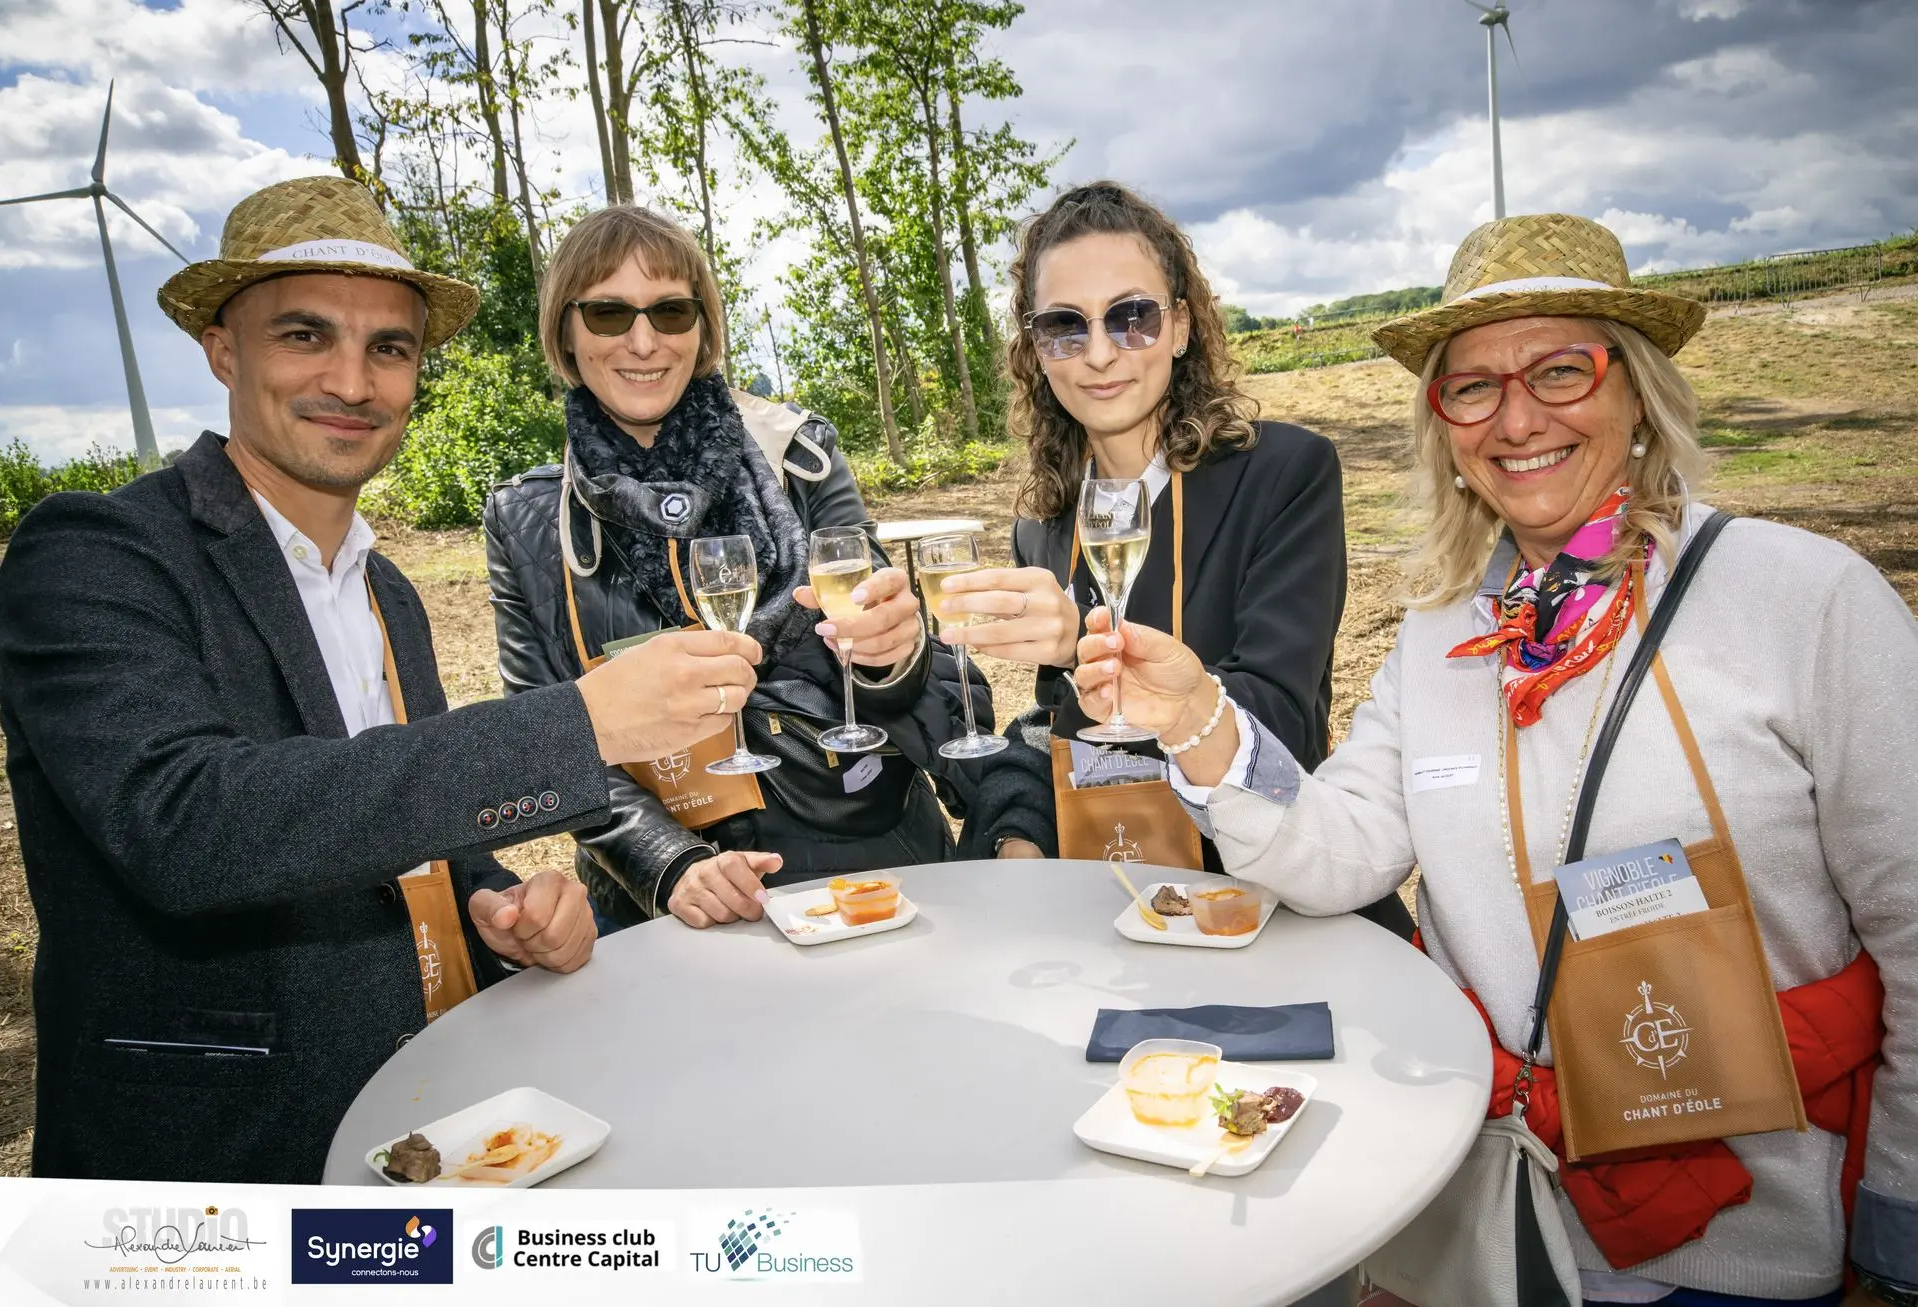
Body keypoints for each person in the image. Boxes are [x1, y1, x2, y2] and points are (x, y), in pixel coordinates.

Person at [1075, 213, 1916, 1305]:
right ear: (1445, 426)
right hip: (1502, 1228)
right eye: (1471, 387)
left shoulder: (1803, 600)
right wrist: (1196, 717)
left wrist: (1901, 1229)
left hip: (1754, 1244)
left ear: (1637, 391)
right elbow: (1338, 855)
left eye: (1563, 369)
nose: (1517, 417)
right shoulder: (1442, 639)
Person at [0, 177, 762, 1184]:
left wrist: (494, 904)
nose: (353, 381)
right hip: (216, 1175)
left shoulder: (391, 592)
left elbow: (388, 820)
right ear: (223, 349)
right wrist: (574, 723)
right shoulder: (97, 554)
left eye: (389, 348)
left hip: (423, 1134)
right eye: (306, 336)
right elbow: (190, 825)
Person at [484, 205, 983, 931]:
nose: (644, 340)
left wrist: (889, 650)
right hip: (666, 904)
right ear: (566, 328)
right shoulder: (526, 520)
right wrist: (670, 864)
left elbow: (893, 664)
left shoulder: (799, 455)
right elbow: (550, 739)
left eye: (672, 311)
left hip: (861, 855)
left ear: (704, 326)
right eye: (609, 313)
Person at [942, 181, 1410, 940]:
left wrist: (1083, 642)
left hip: (1268, 907)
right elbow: (1061, 730)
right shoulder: (1044, 525)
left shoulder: (1285, 476)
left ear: (1182, 327)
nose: (1099, 353)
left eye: (1131, 317)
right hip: (1121, 900)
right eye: (1065, 326)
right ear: (1036, 349)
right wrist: (1018, 834)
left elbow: (1284, 723)